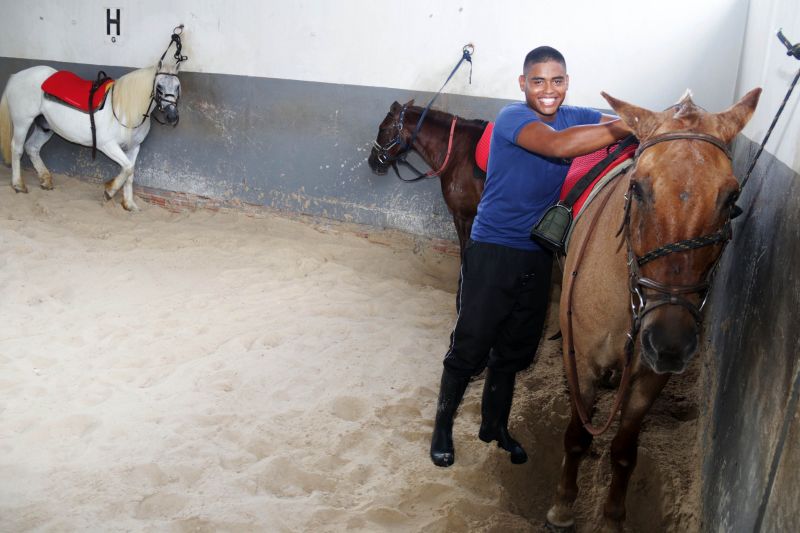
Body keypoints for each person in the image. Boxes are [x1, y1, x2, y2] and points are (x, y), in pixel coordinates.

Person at [430, 46, 631, 467]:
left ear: (567, 83)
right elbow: (559, 147)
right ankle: (443, 426)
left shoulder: (573, 115)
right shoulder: (512, 118)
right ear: (523, 84)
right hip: (493, 250)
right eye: (537, 81)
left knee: (514, 349)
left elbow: (608, 123)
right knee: (471, 345)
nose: (548, 90)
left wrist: (656, 120)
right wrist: (632, 126)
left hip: (537, 255)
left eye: (556, 81)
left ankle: (494, 426)